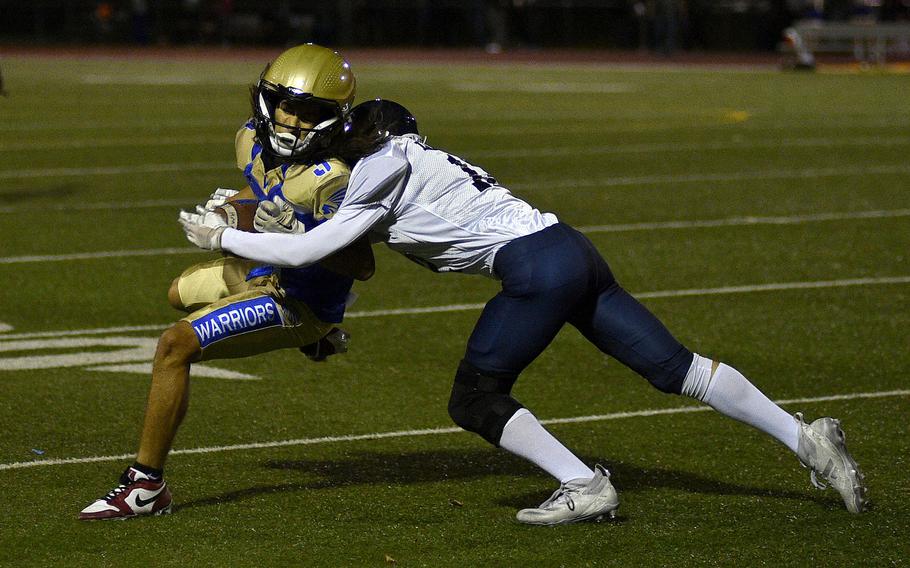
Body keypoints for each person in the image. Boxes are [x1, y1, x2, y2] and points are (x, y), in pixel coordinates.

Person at [179, 46, 868, 525]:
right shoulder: (412, 157)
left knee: (474, 398)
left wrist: (226, 237)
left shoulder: (379, 167)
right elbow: (342, 246)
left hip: (536, 269)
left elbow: (323, 245)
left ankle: (582, 484)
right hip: (571, 249)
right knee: (677, 369)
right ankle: (806, 438)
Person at [78, 44, 377, 521]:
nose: (293, 121)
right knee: (176, 294)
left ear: (331, 117)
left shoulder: (333, 177)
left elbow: (362, 263)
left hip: (296, 298)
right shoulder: (250, 139)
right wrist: (228, 212)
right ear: (266, 100)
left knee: (175, 347)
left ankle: (145, 485)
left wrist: (303, 234)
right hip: (262, 271)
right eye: (286, 105)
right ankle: (317, 341)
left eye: (309, 112)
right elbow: (259, 189)